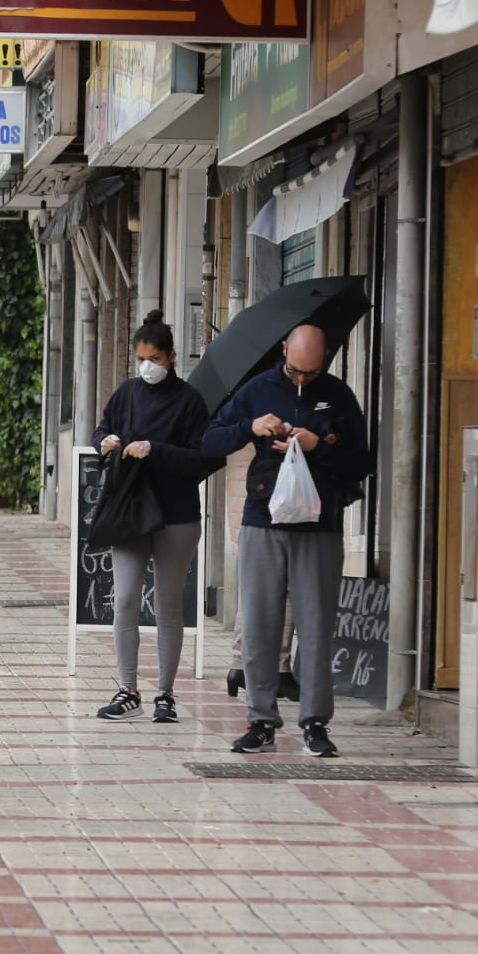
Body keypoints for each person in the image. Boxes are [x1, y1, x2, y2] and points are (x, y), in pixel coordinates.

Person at [199, 323, 368, 758]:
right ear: (284, 351)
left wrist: (317, 446)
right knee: (259, 626)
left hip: (320, 526)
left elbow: (360, 463)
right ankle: (261, 721)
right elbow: (210, 439)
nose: (301, 379)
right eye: (295, 370)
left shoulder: (339, 395)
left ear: (324, 359)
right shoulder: (257, 389)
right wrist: (251, 427)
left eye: (311, 372)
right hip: (263, 521)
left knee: (316, 628)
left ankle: (315, 723)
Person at [90, 311, 220, 725]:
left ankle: (166, 693)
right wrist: (105, 442)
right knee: (125, 599)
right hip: (130, 511)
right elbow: (100, 431)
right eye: (142, 359)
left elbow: (203, 459)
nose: (148, 367)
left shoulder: (189, 401)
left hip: (176, 514)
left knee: (168, 605)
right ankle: (128, 689)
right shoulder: (126, 393)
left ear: (172, 357)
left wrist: (155, 450)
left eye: (156, 359)